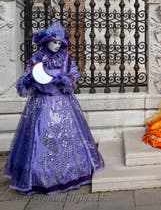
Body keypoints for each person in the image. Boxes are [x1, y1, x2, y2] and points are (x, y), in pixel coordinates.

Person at [3, 22, 104, 195]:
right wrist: (29, 80)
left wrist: (65, 79)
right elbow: (25, 81)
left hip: (63, 103)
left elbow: (74, 76)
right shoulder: (37, 58)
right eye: (54, 42)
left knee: (66, 137)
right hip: (42, 104)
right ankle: (38, 175)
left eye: (59, 43)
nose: (57, 45)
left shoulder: (65, 58)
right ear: (46, 41)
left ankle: (69, 172)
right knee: (40, 138)